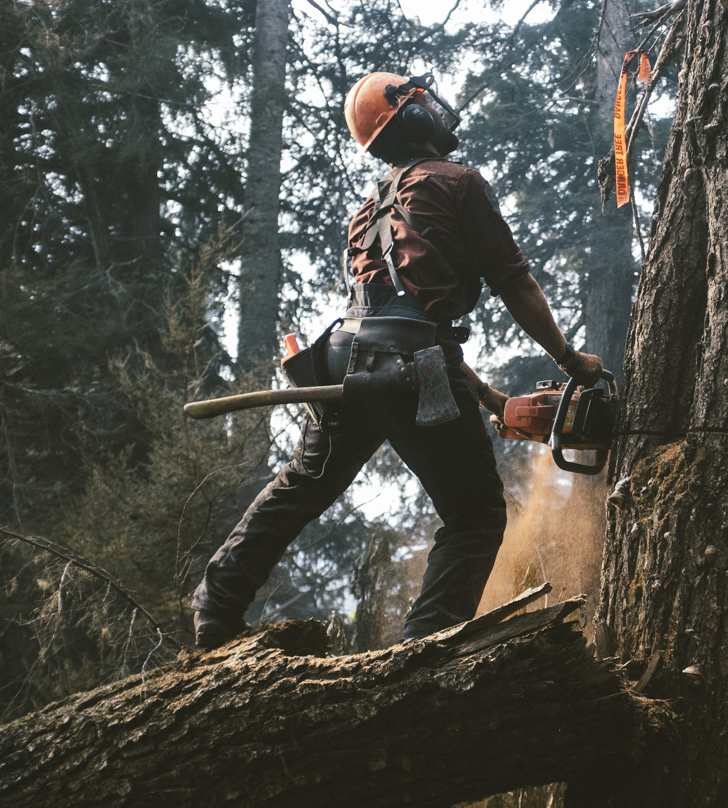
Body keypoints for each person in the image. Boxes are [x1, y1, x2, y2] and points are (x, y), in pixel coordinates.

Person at [190, 70, 604, 649]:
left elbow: (399, 319)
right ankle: (426, 649)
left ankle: (215, 610)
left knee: (300, 488)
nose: (436, 108)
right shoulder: (458, 182)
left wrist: (488, 398)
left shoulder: (368, 210)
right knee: (476, 516)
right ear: (409, 116)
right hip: (411, 363)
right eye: (421, 101)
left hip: (344, 359)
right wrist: (569, 360)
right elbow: (512, 282)